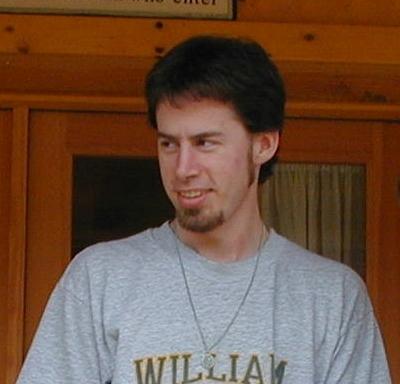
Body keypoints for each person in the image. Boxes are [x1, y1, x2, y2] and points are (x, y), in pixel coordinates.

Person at [16, 35, 391, 384]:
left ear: (263, 145)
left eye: (205, 143)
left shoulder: (331, 297)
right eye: (169, 144)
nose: (183, 168)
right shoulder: (101, 279)